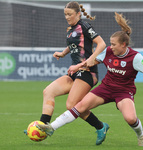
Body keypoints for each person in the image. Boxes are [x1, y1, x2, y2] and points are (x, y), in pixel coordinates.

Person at [36, 12, 143, 147]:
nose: (111, 46)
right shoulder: (108, 51)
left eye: (114, 44)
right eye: (111, 44)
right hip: (106, 88)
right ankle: (52, 127)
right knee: (79, 106)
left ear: (124, 45)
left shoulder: (135, 57)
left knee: (130, 118)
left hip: (124, 92)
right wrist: (77, 66)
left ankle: (140, 135)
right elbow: (90, 61)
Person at [24, 1, 109, 145]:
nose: (67, 17)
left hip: (88, 72)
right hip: (75, 72)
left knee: (72, 105)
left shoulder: (84, 26)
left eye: (70, 14)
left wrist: (89, 61)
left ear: (78, 14)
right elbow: (74, 45)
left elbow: (102, 44)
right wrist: (63, 53)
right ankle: (42, 126)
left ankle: (101, 127)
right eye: (65, 14)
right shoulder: (71, 28)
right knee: (48, 91)